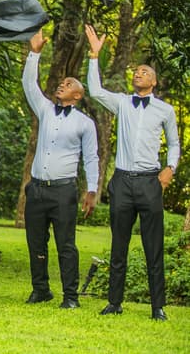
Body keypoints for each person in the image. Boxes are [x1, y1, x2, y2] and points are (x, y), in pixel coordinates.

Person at [85, 24, 180, 321]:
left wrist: (170, 169)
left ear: (153, 82)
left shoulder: (165, 110)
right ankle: (114, 302)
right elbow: (95, 91)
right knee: (119, 244)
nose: (138, 74)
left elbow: (175, 144)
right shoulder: (122, 103)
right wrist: (94, 55)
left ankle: (158, 307)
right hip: (123, 182)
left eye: (144, 72)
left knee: (153, 246)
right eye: (136, 72)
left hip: (151, 182)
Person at [21, 29, 99, 309]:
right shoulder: (44, 110)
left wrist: (92, 189)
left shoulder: (84, 124)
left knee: (66, 245)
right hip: (38, 189)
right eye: (61, 83)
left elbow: (91, 158)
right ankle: (40, 290)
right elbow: (30, 85)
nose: (61, 85)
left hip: (64, 191)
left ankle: (70, 296)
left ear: (77, 96)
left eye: (67, 84)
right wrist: (35, 53)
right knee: (35, 243)